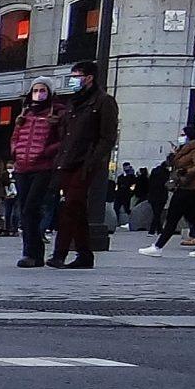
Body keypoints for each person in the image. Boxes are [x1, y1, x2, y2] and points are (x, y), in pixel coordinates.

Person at [47, 58, 115, 270]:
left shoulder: (103, 102)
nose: (73, 80)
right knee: (76, 208)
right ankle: (85, 254)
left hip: (84, 161)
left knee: (71, 206)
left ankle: (60, 252)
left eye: (77, 76)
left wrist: (93, 160)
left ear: (89, 78)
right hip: (68, 160)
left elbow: (107, 136)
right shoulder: (73, 103)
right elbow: (67, 133)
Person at [8, 78, 63, 267]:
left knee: (31, 208)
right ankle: (30, 252)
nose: (38, 94)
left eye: (43, 90)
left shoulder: (57, 113)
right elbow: (15, 137)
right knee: (25, 209)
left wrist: (46, 152)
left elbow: (63, 139)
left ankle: (33, 252)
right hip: (22, 168)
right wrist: (15, 151)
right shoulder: (25, 114)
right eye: (35, 90)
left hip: (42, 167)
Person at [141, 124, 195, 256]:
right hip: (188, 188)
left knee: (173, 217)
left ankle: (158, 247)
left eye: (183, 135)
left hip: (188, 188)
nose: (181, 137)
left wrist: (184, 173)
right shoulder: (187, 149)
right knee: (193, 218)